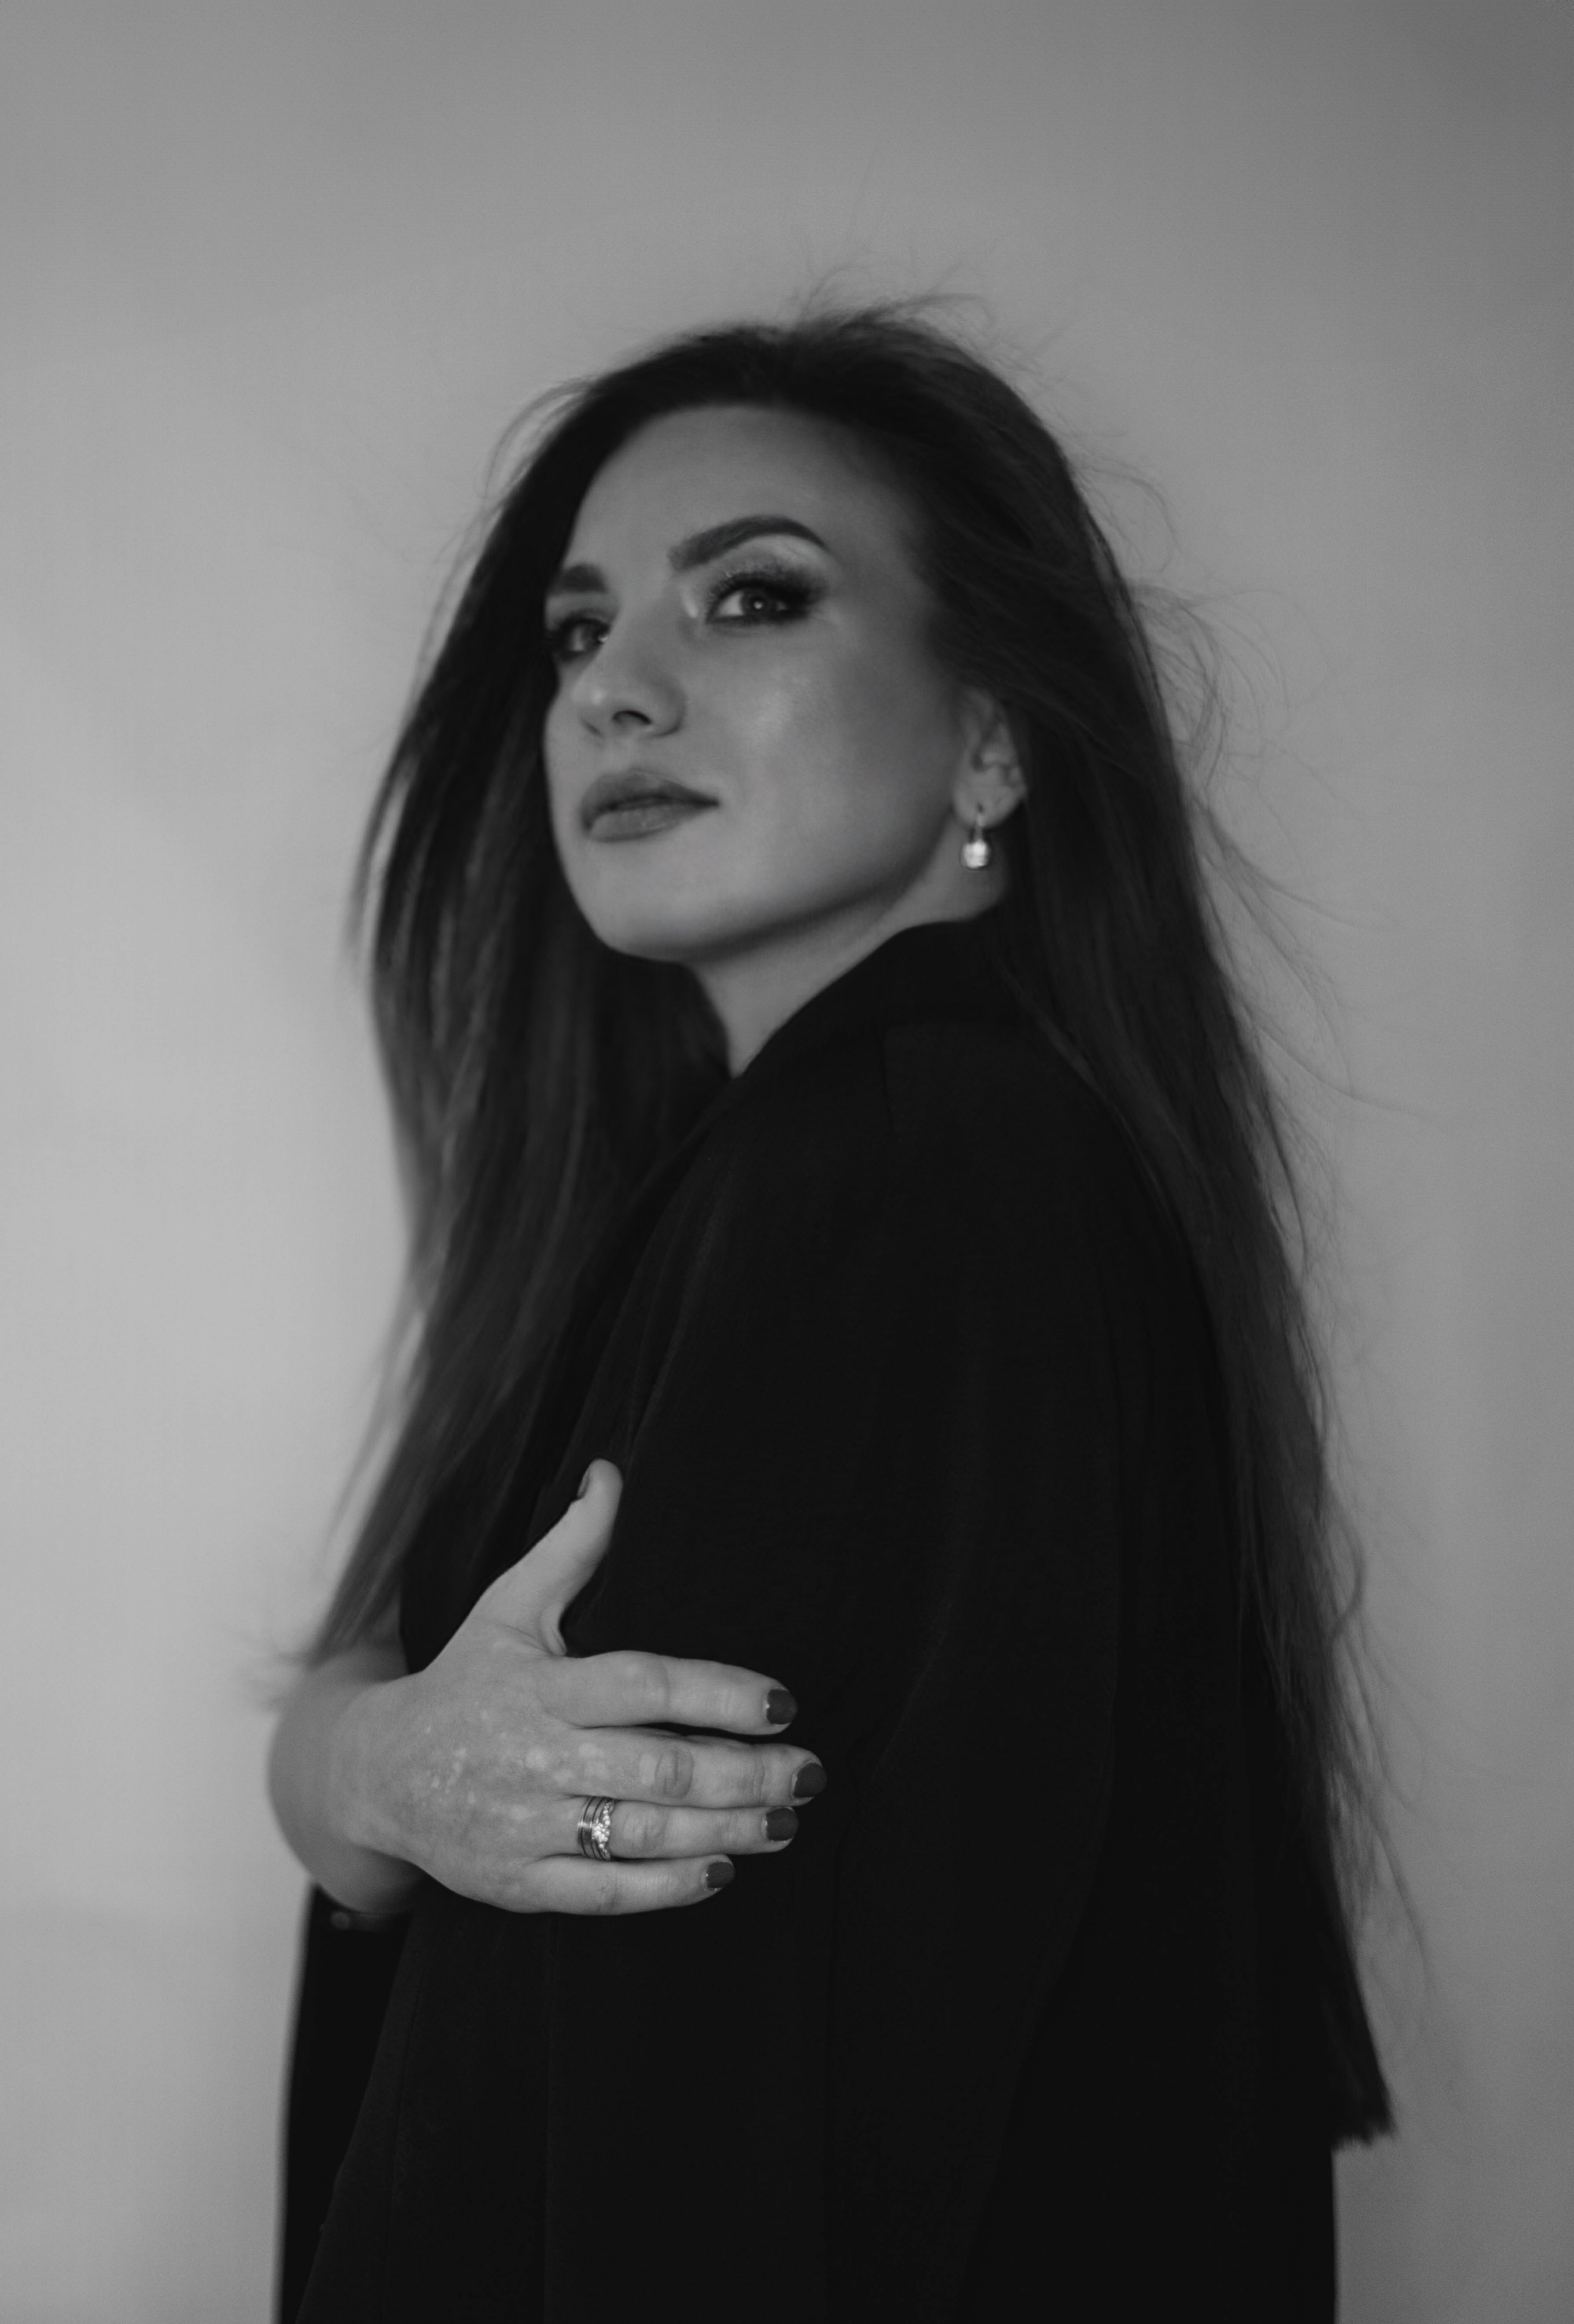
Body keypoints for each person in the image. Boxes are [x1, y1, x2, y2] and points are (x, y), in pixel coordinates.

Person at [268, 301, 1392, 2322]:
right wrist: (365, 1766)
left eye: (753, 597)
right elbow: (413, 1725)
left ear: (993, 738)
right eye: (578, 634)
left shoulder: (898, 1167)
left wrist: (363, 1779)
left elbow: (713, 2104)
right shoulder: (804, 1171)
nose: (616, 690)